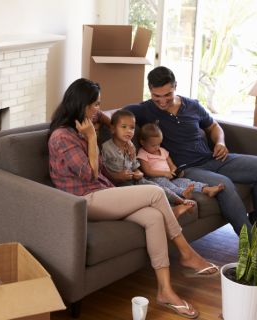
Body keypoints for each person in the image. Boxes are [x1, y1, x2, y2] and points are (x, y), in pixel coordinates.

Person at [48, 78, 218, 319]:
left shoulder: (87, 120)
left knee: (153, 217)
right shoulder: (62, 137)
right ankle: (187, 253)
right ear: (82, 105)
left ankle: (165, 291)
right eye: (95, 105)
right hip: (85, 200)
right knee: (155, 192)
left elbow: (109, 119)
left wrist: (123, 138)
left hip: (104, 192)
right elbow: (90, 173)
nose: (98, 109)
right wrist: (92, 139)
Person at [125, 66, 257, 270]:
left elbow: (213, 126)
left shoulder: (192, 105)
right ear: (149, 90)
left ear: (175, 87)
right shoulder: (145, 109)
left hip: (212, 158)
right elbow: (114, 117)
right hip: (188, 170)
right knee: (224, 185)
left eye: (167, 94)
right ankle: (254, 245)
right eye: (157, 96)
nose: (163, 101)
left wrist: (220, 142)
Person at [100, 109, 195, 217]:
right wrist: (117, 176)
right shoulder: (106, 148)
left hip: (137, 180)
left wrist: (138, 173)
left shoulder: (131, 147)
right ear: (112, 129)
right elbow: (102, 171)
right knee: (145, 195)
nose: (129, 131)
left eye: (132, 128)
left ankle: (180, 201)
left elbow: (135, 166)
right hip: (122, 184)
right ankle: (172, 210)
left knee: (157, 188)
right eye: (124, 127)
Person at [137, 122, 225, 200]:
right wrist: (163, 173)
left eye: (159, 144)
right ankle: (183, 193)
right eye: (153, 145)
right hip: (155, 179)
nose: (157, 147)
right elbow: (147, 171)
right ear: (142, 142)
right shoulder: (143, 153)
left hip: (169, 177)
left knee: (184, 181)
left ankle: (206, 189)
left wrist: (174, 170)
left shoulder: (162, 151)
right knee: (168, 186)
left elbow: (171, 164)